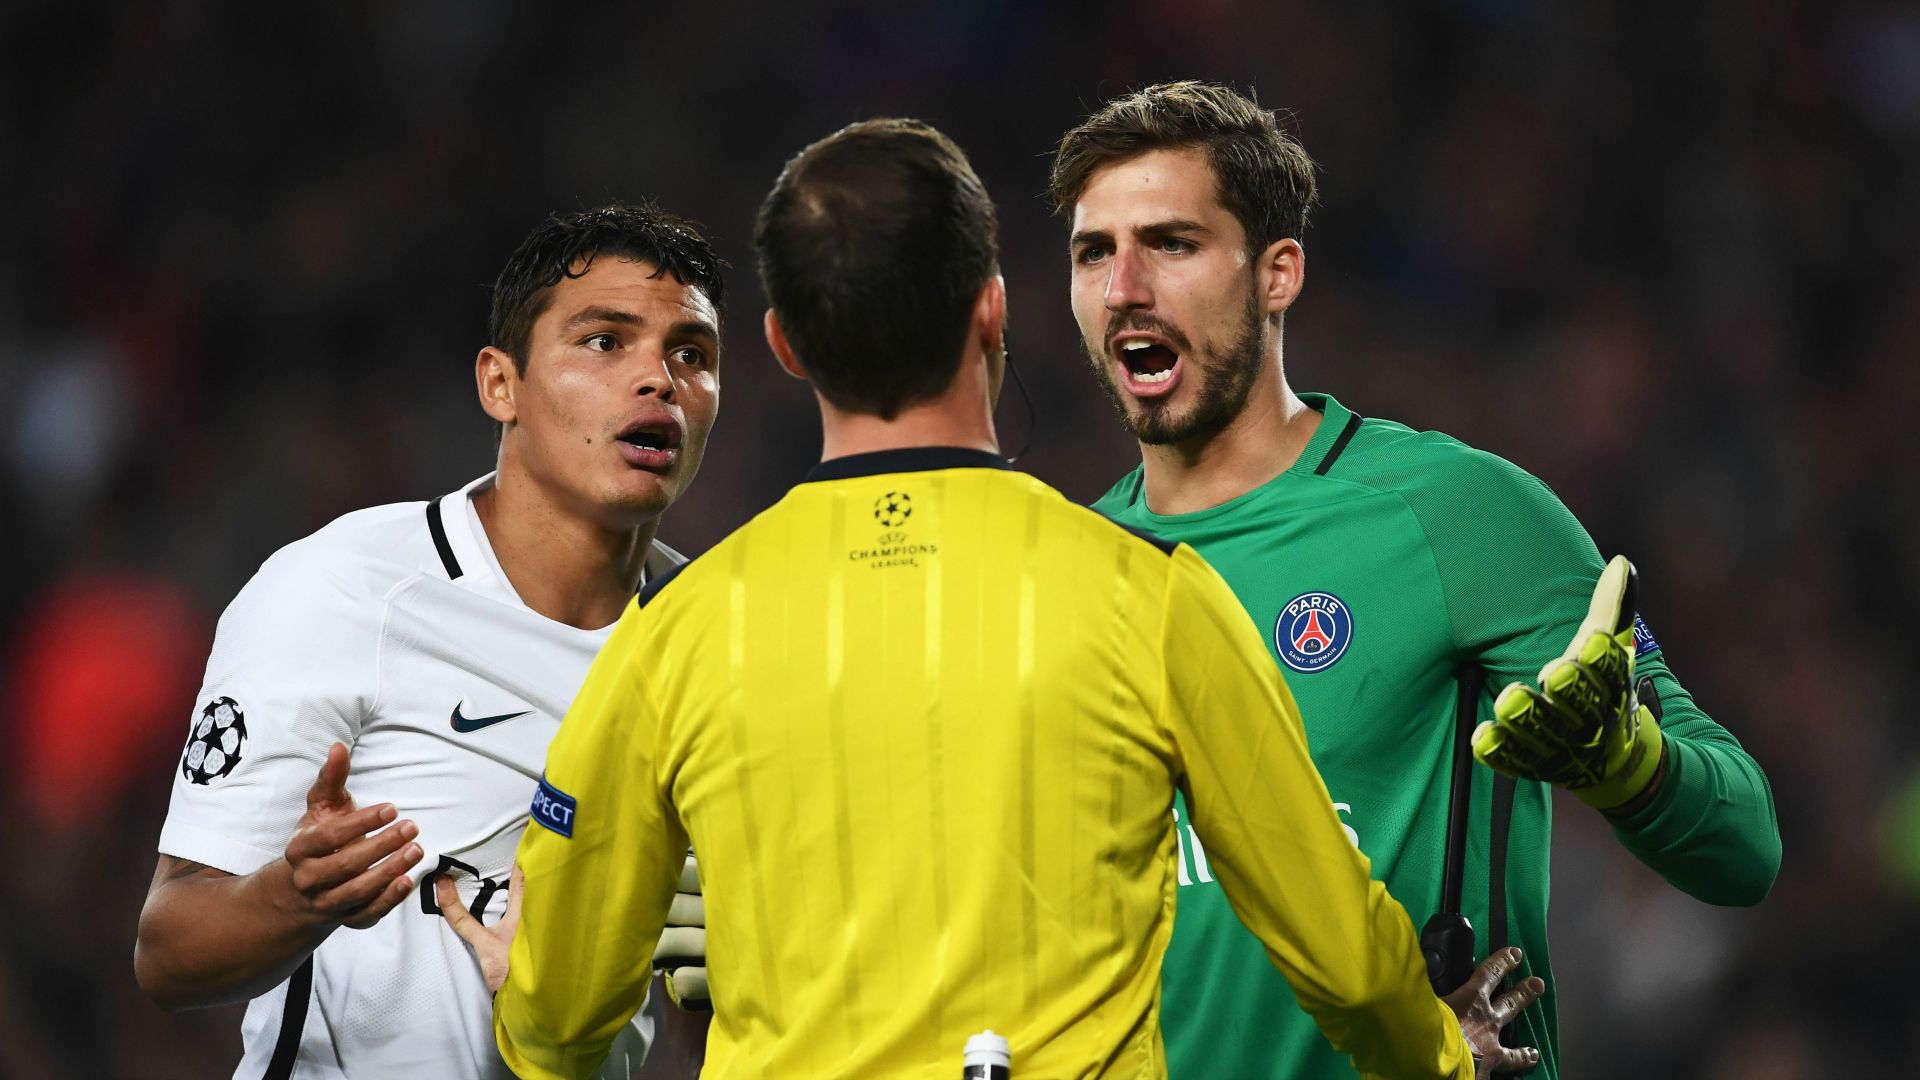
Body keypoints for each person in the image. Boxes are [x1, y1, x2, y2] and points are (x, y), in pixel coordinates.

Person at [440, 118, 1543, 1080]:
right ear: (992, 312)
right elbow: (1343, 957)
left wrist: (530, 999)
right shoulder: (1149, 598)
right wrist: (1437, 1052)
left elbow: (564, 1020)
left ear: (780, 344)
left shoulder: (675, 633)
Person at [1050, 80, 1783, 1079]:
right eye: (1096, 252)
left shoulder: (1460, 515)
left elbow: (1744, 848)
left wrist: (1629, 764)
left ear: (1278, 274)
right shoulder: (1063, 575)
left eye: (1171, 244)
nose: (1124, 287)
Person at [133, 203, 722, 1079]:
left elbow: (687, 1024)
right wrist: (297, 897)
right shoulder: (343, 588)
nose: (659, 379)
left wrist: (711, 991)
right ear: (501, 385)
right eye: (605, 342)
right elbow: (169, 953)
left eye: (692, 354)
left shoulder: (717, 639)